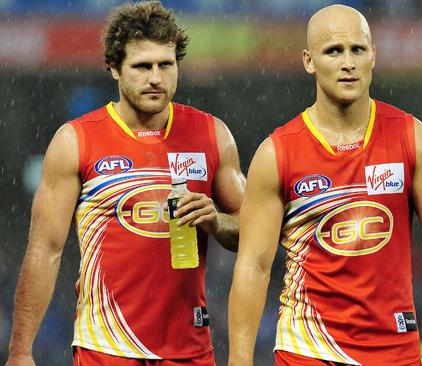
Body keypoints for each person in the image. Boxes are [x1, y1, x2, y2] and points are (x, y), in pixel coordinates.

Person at [227, 4, 422, 366]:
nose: (348, 62)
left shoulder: (412, 137)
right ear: (309, 61)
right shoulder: (277, 153)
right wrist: (239, 359)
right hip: (308, 350)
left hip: (395, 350)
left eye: (357, 49)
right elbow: (254, 265)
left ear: (373, 55)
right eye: (333, 51)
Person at [5, 1, 245, 365]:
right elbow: (45, 249)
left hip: (191, 350)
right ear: (114, 68)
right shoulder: (77, 141)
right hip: (105, 350)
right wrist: (21, 351)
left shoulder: (213, 135)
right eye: (142, 66)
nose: (155, 78)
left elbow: (253, 233)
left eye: (166, 65)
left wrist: (217, 221)